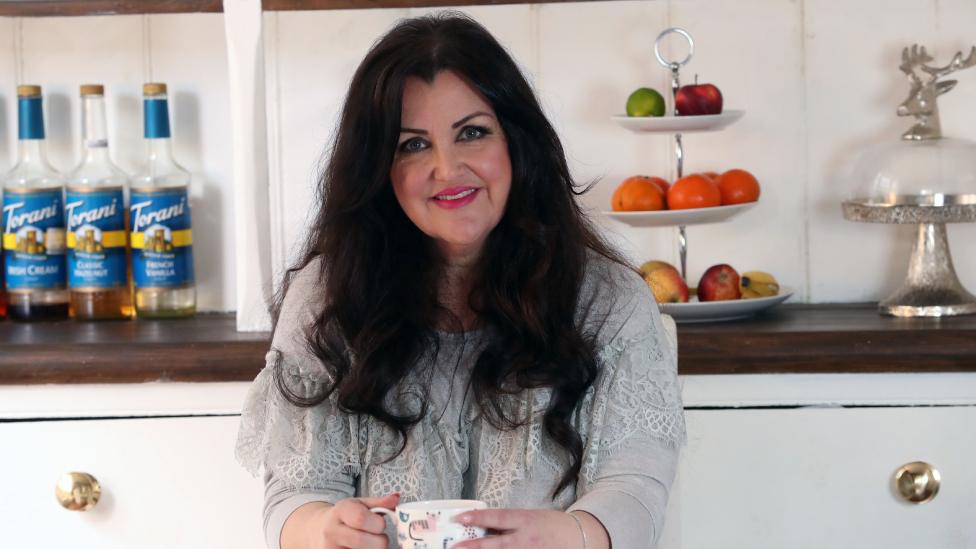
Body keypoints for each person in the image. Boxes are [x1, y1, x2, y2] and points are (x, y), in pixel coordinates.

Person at [235, 12, 685, 549]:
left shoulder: (608, 300)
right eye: (412, 145)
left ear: (517, 144)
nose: (447, 169)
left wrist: (570, 536)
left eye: (472, 133)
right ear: (379, 168)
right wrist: (321, 530)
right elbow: (294, 493)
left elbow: (635, 488)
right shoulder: (326, 297)